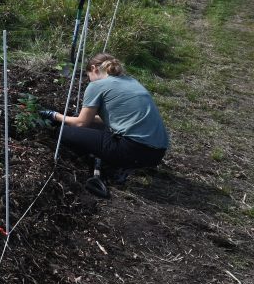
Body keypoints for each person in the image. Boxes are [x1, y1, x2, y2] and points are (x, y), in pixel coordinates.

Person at [41, 52, 169, 197]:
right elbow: (117, 118)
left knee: (63, 132)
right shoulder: (130, 81)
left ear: (94, 68)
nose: (89, 80)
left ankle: (117, 165)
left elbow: (81, 123)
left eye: (88, 75)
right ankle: (122, 162)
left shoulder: (97, 85)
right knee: (84, 125)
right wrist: (78, 118)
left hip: (134, 150)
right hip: (157, 152)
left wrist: (54, 115)